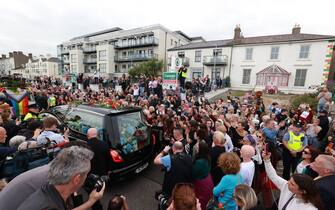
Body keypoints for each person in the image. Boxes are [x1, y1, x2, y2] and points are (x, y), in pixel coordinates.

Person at [17, 146, 106, 210]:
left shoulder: (49, 189)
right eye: (87, 173)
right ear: (77, 179)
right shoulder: (49, 206)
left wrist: (91, 201)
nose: (88, 176)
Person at [154, 142, 193, 208]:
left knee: (166, 204)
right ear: (183, 148)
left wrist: (163, 151)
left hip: (170, 190)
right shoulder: (189, 157)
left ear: (173, 148)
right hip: (184, 189)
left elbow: (155, 161)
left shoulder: (170, 158)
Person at [192, 141, 213, 210]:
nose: (196, 148)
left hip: (201, 185)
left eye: (198, 147)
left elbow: (193, 173)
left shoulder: (200, 162)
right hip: (207, 181)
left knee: (201, 203)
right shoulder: (207, 157)